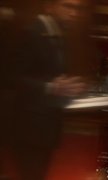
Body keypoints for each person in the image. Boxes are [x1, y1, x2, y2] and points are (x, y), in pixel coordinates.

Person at [4, 0, 99, 179]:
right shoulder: (31, 32)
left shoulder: (56, 33)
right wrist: (51, 86)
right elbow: (10, 77)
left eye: (77, 8)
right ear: (49, 6)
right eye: (67, 6)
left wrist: (70, 87)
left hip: (44, 126)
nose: (74, 13)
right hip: (28, 127)